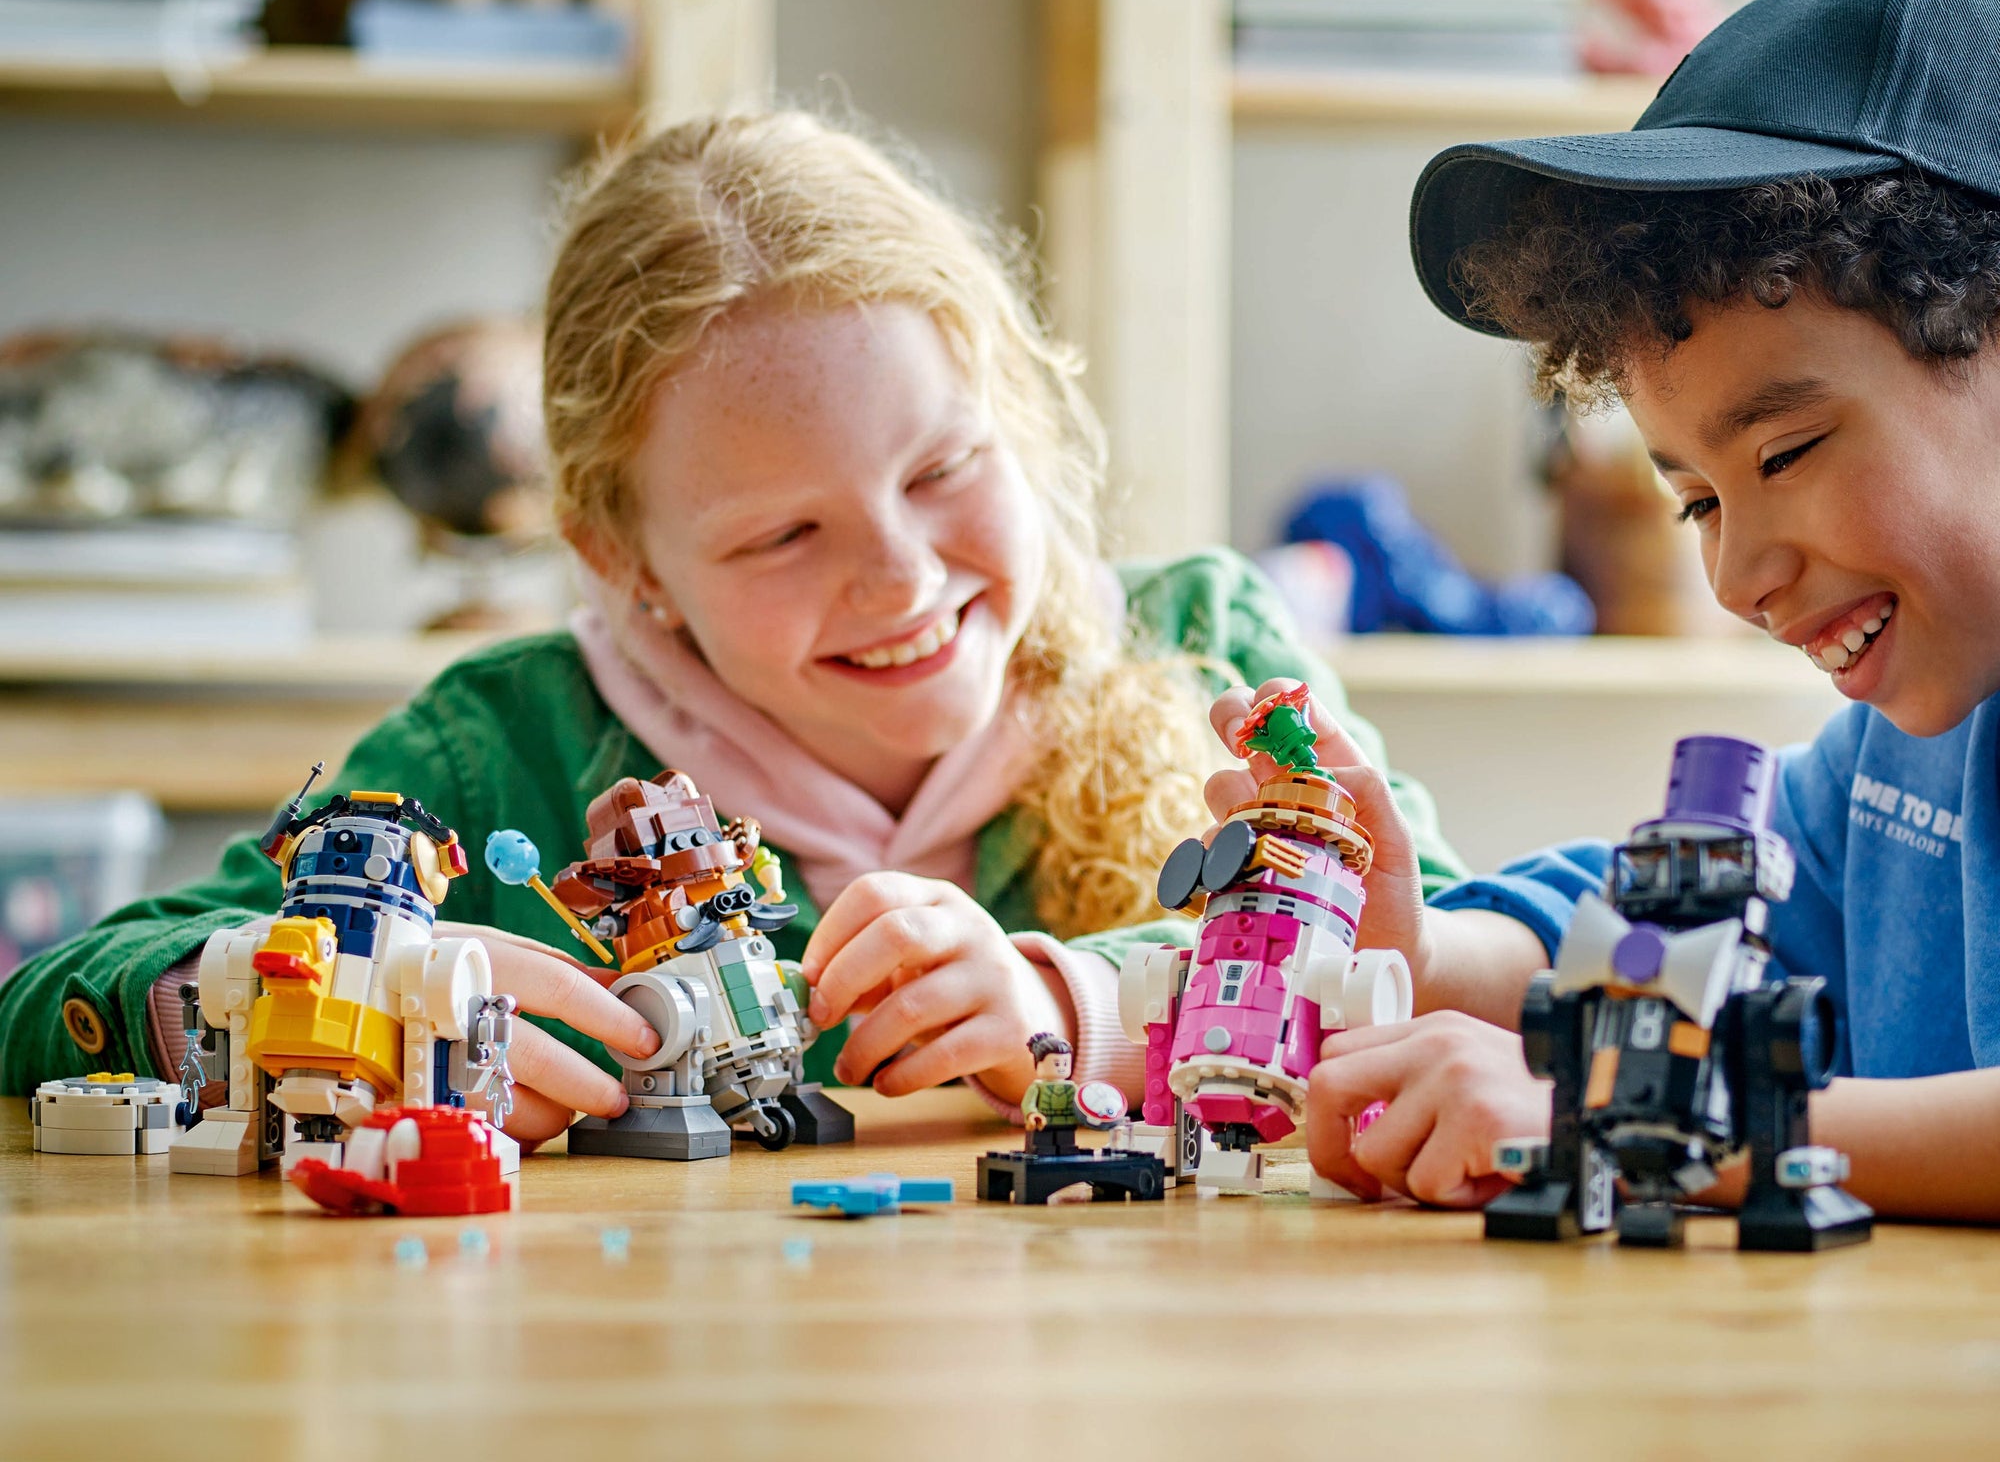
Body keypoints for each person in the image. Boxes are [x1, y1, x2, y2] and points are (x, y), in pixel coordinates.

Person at [0, 108, 1467, 1150]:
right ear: (620, 557)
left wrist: (1079, 1002)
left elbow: (1444, 956)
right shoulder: (498, 750)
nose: (898, 579)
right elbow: (44, 1008)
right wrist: (343, 994)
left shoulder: (1206, 648)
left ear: (1012, 414)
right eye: (781, 535)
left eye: (944, 469)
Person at [1285, 0, 2000, 1223]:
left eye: (1784, 452)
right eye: (1698, 501)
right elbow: (1685, 926)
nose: (1737, 575)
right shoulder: (1904, 764)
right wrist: (1427, 954)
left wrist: (1640, 1121)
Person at [1020, 1032, 1080, 1156]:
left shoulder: (1072, 1087)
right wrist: (1032, 1114)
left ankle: (1067, 1157)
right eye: (1056, 1064)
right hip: (1043, 1123)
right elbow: (1028, 1103)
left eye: (1065, 1063)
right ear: (1038, 1064)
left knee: (1067, 1145)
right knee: (1041, 1146)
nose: (1061, 1067)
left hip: (1067, 1122)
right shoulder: (1037, 1087)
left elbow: (1081, 1100)